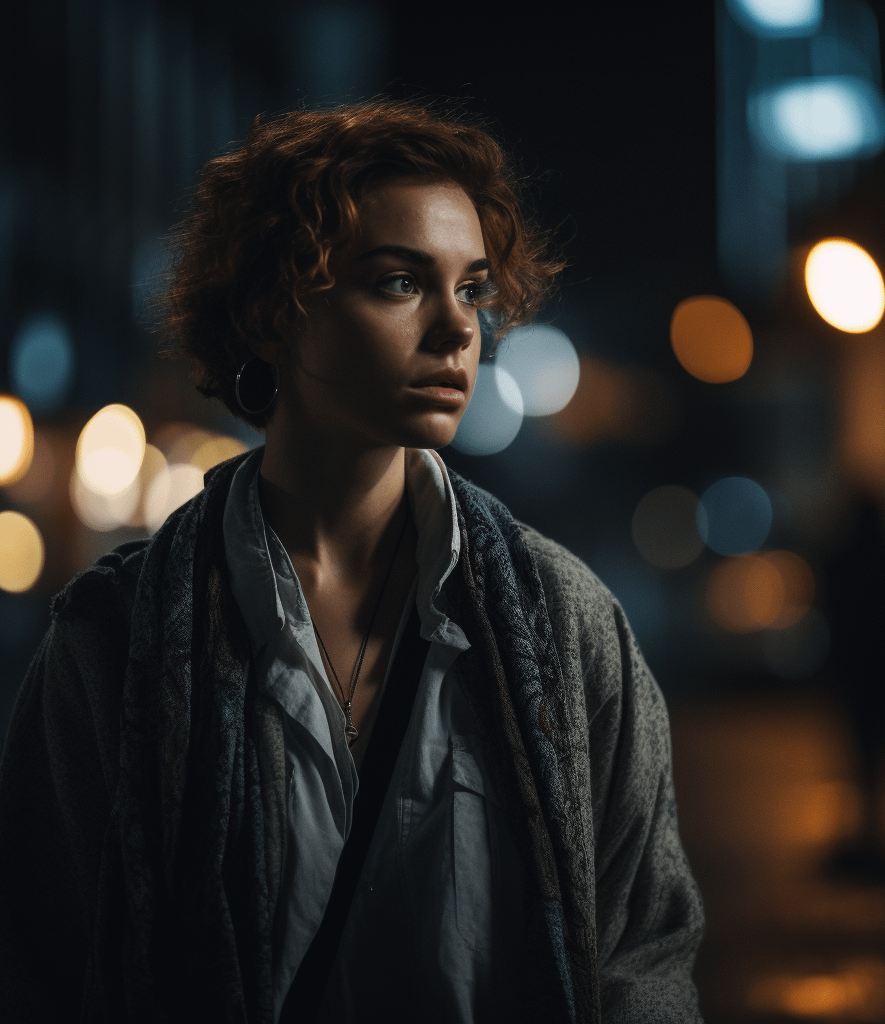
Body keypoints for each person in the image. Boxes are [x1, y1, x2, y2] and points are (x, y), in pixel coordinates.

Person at [0, 100, 704, 1023]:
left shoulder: (569, 627)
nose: (459, 331)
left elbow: (641, 958)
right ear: (271, 311)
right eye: (401, 283)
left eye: (473, 290)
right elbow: (40, 969)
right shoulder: (114, 642)